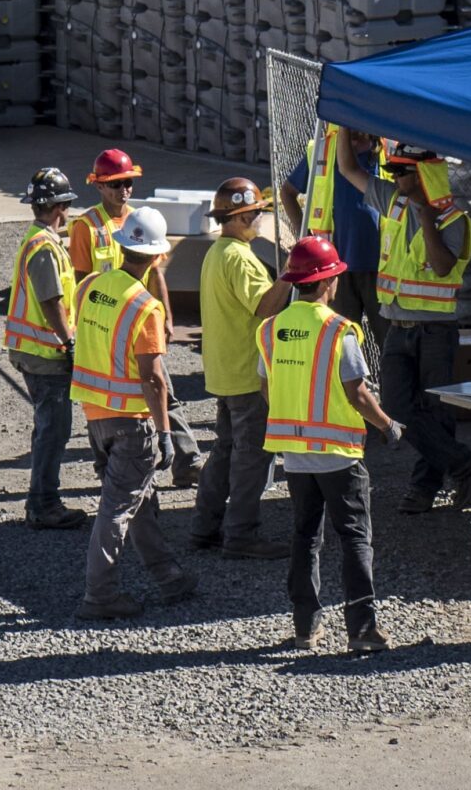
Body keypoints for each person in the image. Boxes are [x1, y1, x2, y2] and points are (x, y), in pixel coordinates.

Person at [260, 236, 403, 657]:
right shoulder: (339, 329)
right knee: (355, 537)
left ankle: (306, 626)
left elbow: (268, 386)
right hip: (339, 453)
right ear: (329, 282)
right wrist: (388, 425)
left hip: (295, 454)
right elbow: (357, 392)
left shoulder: (270, 330)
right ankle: (362, 629)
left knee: (305, 536)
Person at [71, 207, 199, 620]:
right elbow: (154, 379)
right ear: (159, 256)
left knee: (136, 497)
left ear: (124, 246)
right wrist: (165, 433)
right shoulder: (146, 307)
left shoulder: (91, 285)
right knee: (116, 509)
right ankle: (99, 596)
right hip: (132, 421)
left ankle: (169, 576)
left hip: (95, 415)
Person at [69, 148, 201, 486]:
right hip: (109, 326)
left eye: (127, 182)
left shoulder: (140, 220)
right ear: (98, 186)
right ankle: (121, 465)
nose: (123, 190)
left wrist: (167, 316)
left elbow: (156, 274)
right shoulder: (86, 227)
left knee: (162, 389)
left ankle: (185, 460)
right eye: (114, 184)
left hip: (138, 322)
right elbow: (81, 282)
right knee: (135, 392)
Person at [372, 144, 471, 514]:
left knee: (436, 412)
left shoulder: (456, 221)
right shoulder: (393, 201)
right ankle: (462, 462)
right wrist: (343, 125)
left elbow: (441, 268)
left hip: (435, 332)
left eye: (401, 172)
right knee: (395, 406)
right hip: (397, 326)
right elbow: (347, 169)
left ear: (423, 175)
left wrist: (426, 221)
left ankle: (424, 487)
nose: (393, 177)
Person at [190, 178, 289, 557]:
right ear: (243, 215)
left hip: (225, 371)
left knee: (226, 451)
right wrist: (289, 274)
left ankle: (205, 527)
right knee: (252, 456)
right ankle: (242, 535)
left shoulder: (217, 253)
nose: (260, 220)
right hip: (248, 375)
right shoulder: (239, 257)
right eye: (257, 214)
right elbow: (265, 306)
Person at [5, 168, 88, 531]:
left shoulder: (40, 239)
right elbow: (51, 299)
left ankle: (42, 500)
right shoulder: (43, 247)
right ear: (60, 207)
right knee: (54, 430)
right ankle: (44, 504)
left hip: (34, 350)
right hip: (45, 355)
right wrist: (69, 341)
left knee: (48, 428)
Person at [282, 125, 383, 324]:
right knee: (339, 335)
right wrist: (306, 239)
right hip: (334, 269)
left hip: (381, 265)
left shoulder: (384, 150)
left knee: (387, 340)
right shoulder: (323, 151)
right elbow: (287, 192)